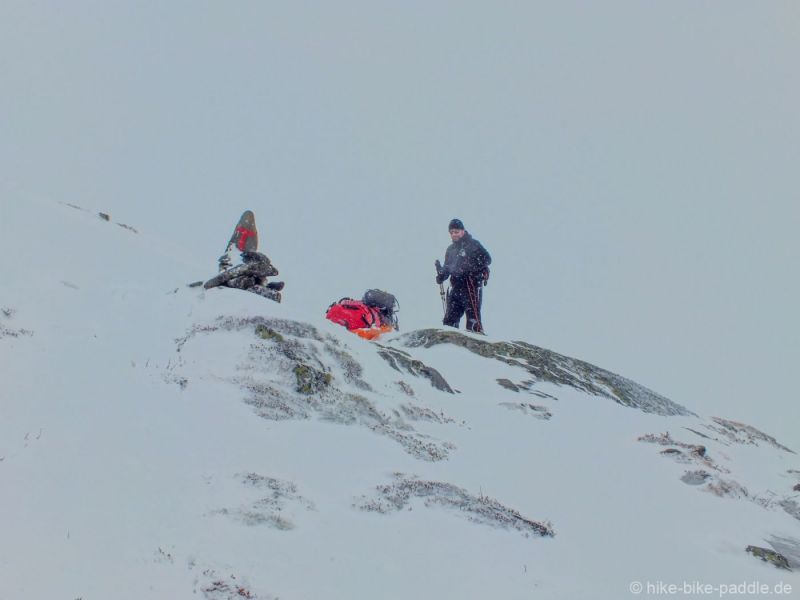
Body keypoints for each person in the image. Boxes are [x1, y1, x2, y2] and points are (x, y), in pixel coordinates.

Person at [435, 218, 491, 333]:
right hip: (455, 287)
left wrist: (469, 267)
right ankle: (448, 347)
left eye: (456, 232)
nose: (454, 235)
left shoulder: (473, 244)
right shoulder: (450, 250)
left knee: (473, 321)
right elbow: (447, 268)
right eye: (451, 232)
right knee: (449, 322)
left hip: (471, 285)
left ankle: (477, 345)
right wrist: (441, 275)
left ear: (463, 231)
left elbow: (487, 259)